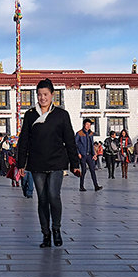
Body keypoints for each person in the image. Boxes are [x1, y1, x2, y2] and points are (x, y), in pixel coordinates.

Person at [17, 78, 81, 248]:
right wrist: (20, 164)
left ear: (52, 95)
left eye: (45, 94)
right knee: (42, 199)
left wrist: (74, 164)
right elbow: (24, 140)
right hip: (37, 163)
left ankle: (56, 229)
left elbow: (69, 140)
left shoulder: (61, 115)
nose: (42, 98)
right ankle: (45, 234)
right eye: (39, 95)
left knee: (53, 195)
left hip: (56, 163)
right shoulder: (30, 115)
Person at [74, 119, 102, 192]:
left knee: (92, 170)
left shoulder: (91, 134)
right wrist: (78, 153)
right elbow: (75, 144)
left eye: (89, 125)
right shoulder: (79, 133)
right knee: (83, 171)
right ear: (84, 125)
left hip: (89, 155)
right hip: (82, 155)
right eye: (87, 124)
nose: (88, 126)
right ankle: (81, 186)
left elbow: (91, 144)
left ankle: (96, 186)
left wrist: (94, 154)